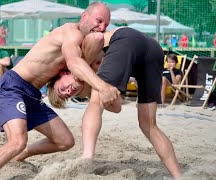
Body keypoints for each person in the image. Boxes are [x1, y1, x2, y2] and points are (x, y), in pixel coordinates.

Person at [0, 2, 113, 179]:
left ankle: (21, 155)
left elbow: (99, 42)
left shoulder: (85, 42)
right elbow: (74, 63)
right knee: (17, 141)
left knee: (65, 141)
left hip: (32, 94)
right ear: (84, 16)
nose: (101, 27)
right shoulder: (71, 33)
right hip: (13, 86)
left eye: (106, 25)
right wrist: (102, 86)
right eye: (99, 21)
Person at [76, 27, 181, 178]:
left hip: (126, 38)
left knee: (96, 98)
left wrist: (91, 82)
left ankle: (87, 157)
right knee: (148, 125)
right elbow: (117, 107)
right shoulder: (103, 51)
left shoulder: (85, 46)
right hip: (155, 50)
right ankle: (178, 176)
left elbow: (96, 38)